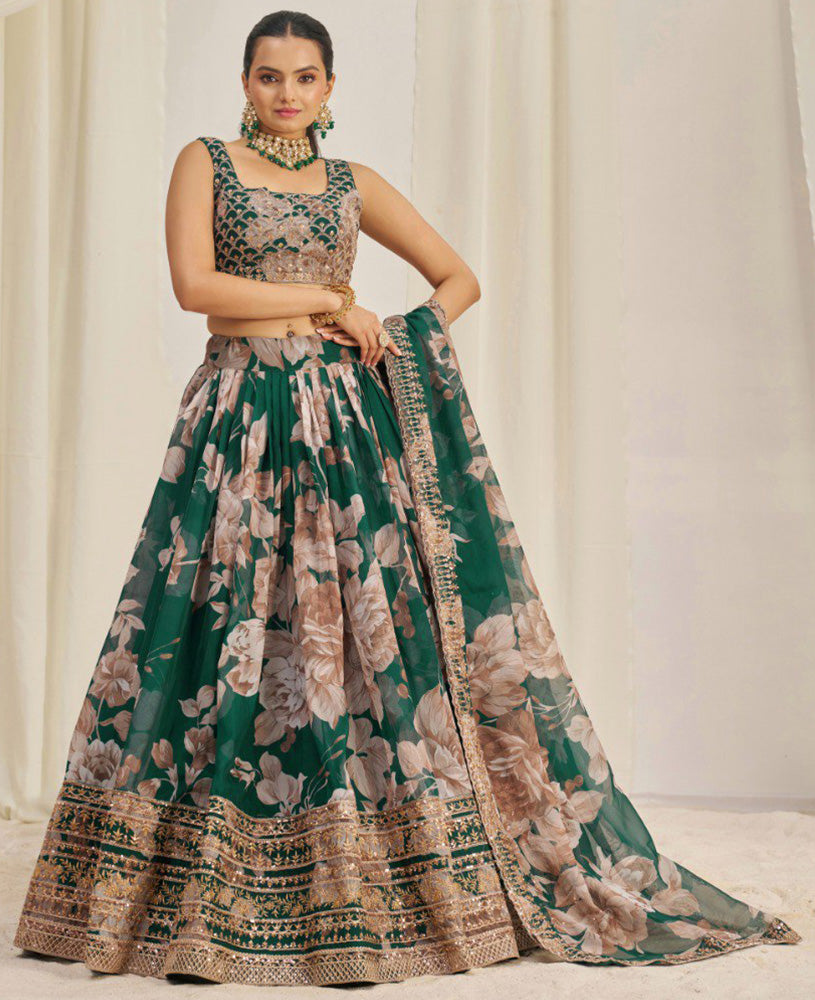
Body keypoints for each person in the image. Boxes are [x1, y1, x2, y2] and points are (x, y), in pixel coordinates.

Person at [13, 9, 801, 988]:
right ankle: (193, 895)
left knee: (349, 643)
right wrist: (330, 304)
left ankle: (365, 881)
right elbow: (196, 289)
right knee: (220, 629)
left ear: (329, 87)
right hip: (236, 426)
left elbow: (457, 279)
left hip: (344, 431)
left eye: (305, 77)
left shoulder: (352, 185)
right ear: (246, 81)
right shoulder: (205, 164)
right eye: (269, 76)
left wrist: (389, 328)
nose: (287, 94)